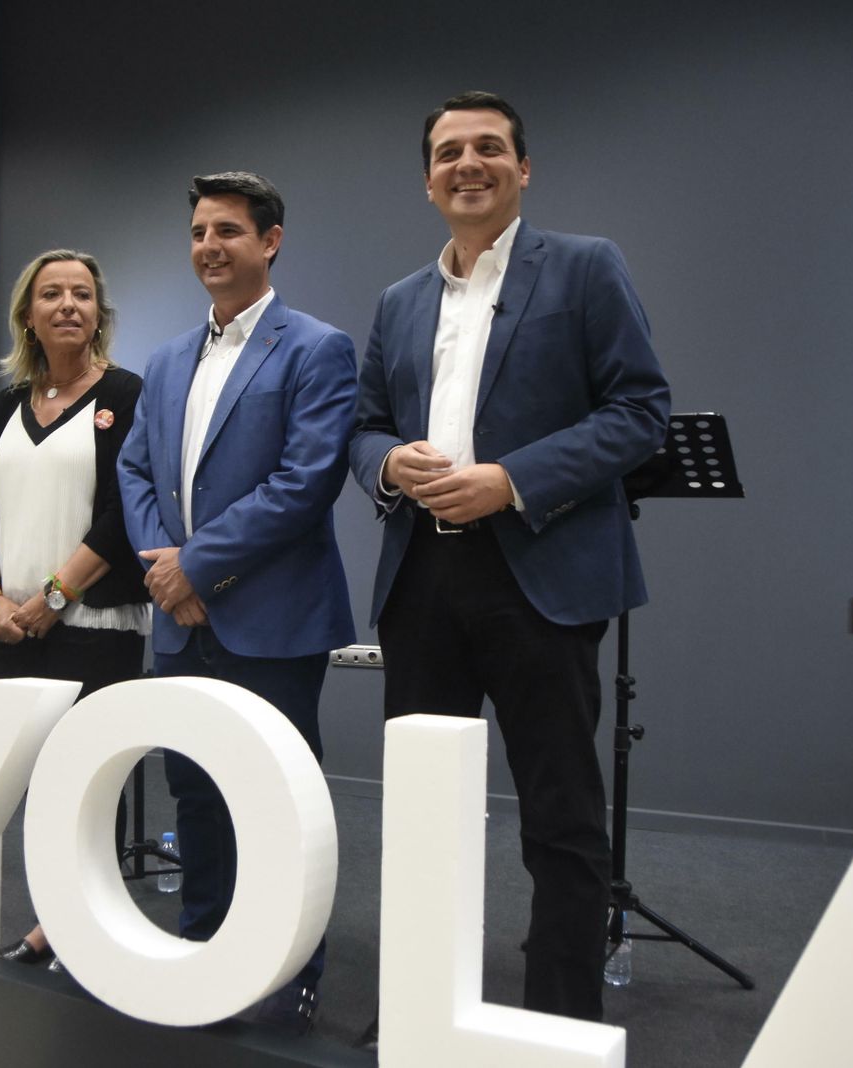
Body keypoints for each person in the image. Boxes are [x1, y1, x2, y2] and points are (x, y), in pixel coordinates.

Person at [350, 91, 671, 1032]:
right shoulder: (399, 301)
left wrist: (511, 479)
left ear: (523, 168)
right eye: (450, 151)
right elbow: (364, 427)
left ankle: (558, 1022)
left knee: (561, 816)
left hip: (541, 575)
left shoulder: (584, 268)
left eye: (489, 148)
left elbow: (639, 411)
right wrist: (388, 463)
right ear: (428, 179)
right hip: (422, 581)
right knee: (421, 812)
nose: (469, 164)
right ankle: (417, 1002)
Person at [117, 171, 356, 1036]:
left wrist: (197, 569)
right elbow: (135, 469)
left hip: (273, 618)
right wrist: (162, 569)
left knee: (279, 800)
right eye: (197, 233)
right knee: (192, 792)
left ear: (271, 240)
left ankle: (291, 968)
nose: (208, 247)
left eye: (226, 231)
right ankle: (204, 947)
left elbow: (305, 484)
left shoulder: (317, 349)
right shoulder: (168, 357)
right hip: (179, 617)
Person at [0, 248, 150, 970]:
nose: (68, 304)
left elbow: (122, 516)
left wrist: (51, 599)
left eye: (82, 294)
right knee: (39, 783)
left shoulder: (126, 395)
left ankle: (73, 925)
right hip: (8, 625)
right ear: (29, 315)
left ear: (98, 313)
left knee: (87, 778)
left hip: (94, 625)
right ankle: (61, 912)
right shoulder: (6, 404)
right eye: (52, 294)